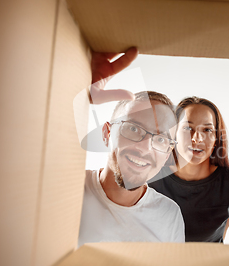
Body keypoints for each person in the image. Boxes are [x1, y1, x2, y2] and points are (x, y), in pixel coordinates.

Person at [77, 49, 185, 246]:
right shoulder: (72, 187)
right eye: (134, 128)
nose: (144, 148)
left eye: (161, 139)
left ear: (168, 153)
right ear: (107, 133)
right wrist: (74, 91)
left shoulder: (169, 215)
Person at [149, 97, 229, 242]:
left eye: (207, 129)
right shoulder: (151, 177)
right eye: (188, 128)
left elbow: (220, 235)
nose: (197, 138)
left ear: (216, 137)